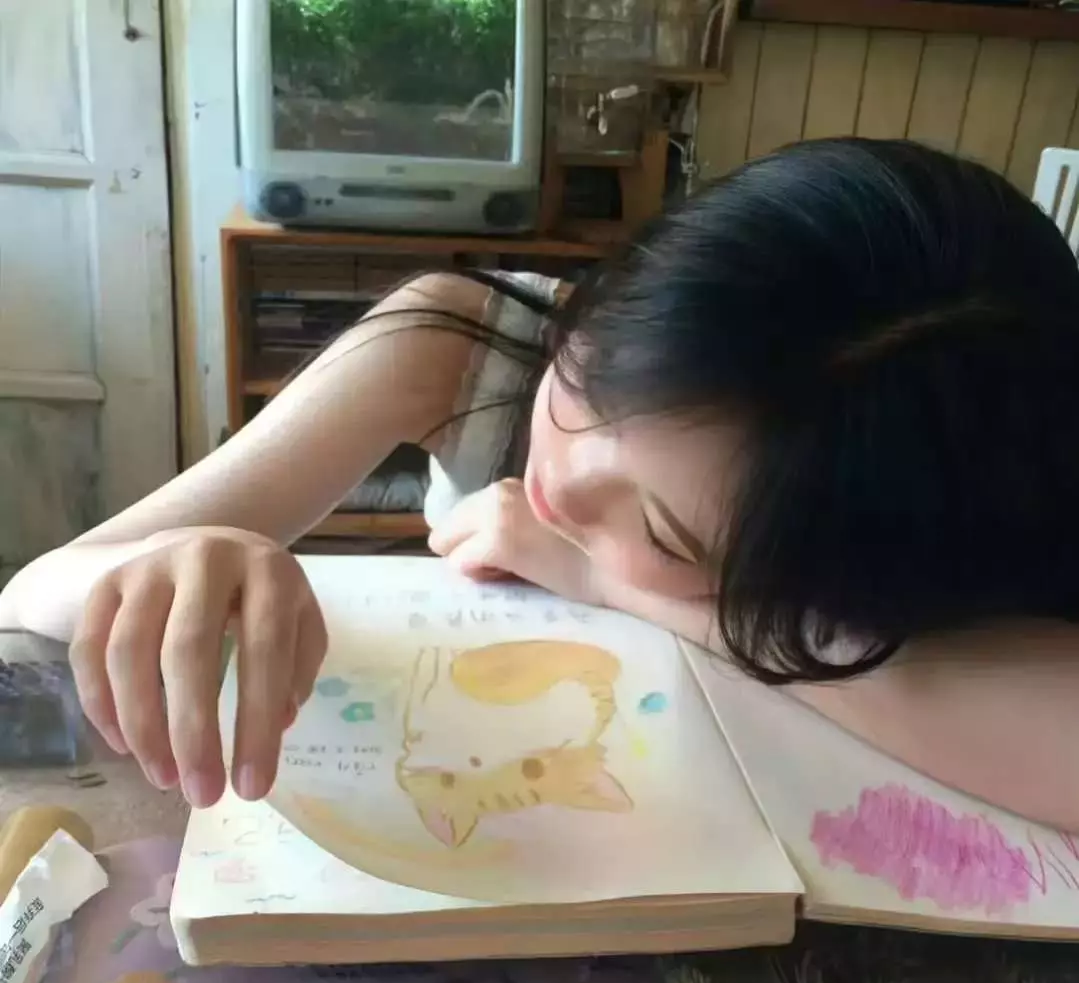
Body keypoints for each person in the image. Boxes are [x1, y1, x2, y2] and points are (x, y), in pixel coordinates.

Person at [3, 138, 1078, 828]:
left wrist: (610, 586)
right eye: (589, 370)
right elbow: (34, 593)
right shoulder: (457, 341)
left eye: (665, 534)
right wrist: (173, 563)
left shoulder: (953, 501)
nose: (558, 487)